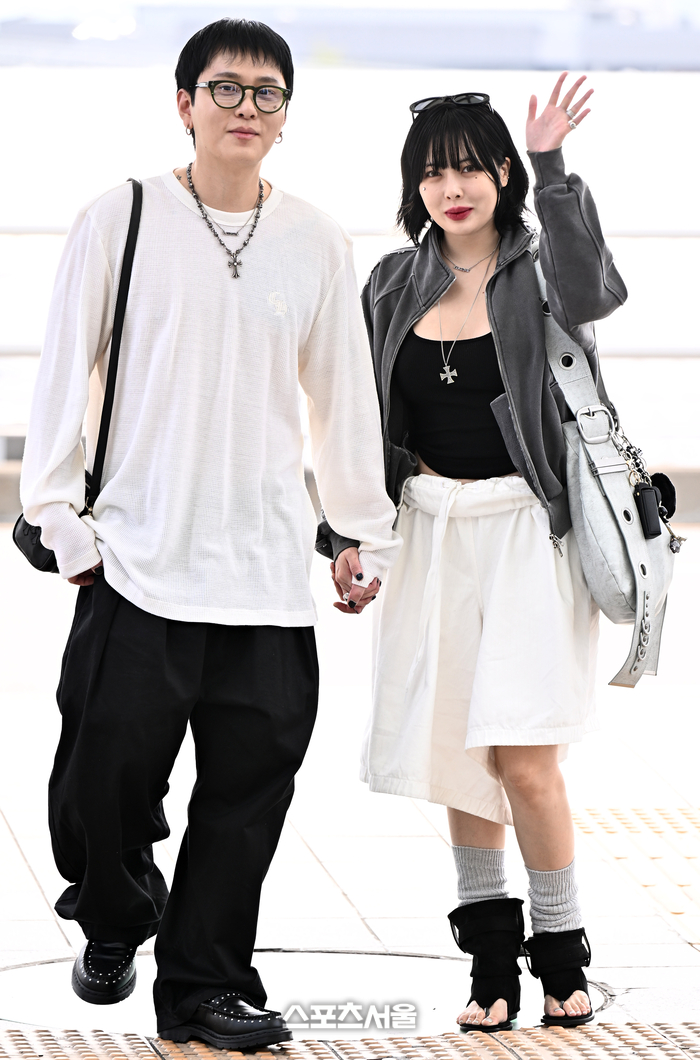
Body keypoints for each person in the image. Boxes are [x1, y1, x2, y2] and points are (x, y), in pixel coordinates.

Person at [20, 17, 399, 1048]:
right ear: (184, 103)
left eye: (266, 93)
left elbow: (343, 398)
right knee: (100, 787)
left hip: (265, 571)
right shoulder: (123, 215)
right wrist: (57, 514)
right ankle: (114, 913)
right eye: (225, 88)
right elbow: (63, 370)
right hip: (137, 558)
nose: (246, 107)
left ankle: (204, 986)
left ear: (285, 116)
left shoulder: (315, 238)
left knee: (246, 797)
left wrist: (359, 533)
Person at [320, 74, 627, 1030]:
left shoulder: (540, 272)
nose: (451, 188)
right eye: (432, 173)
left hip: (529, 532)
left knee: (523, 755)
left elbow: (597, 290)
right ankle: (490, 966)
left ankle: (563, 953)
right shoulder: (390, 283)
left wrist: (552, 162)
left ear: (501, 173)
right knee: (458, 752)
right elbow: (359, 422)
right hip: (429, 531)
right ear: (413, 186)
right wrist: (347, 535)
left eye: (470, 168)